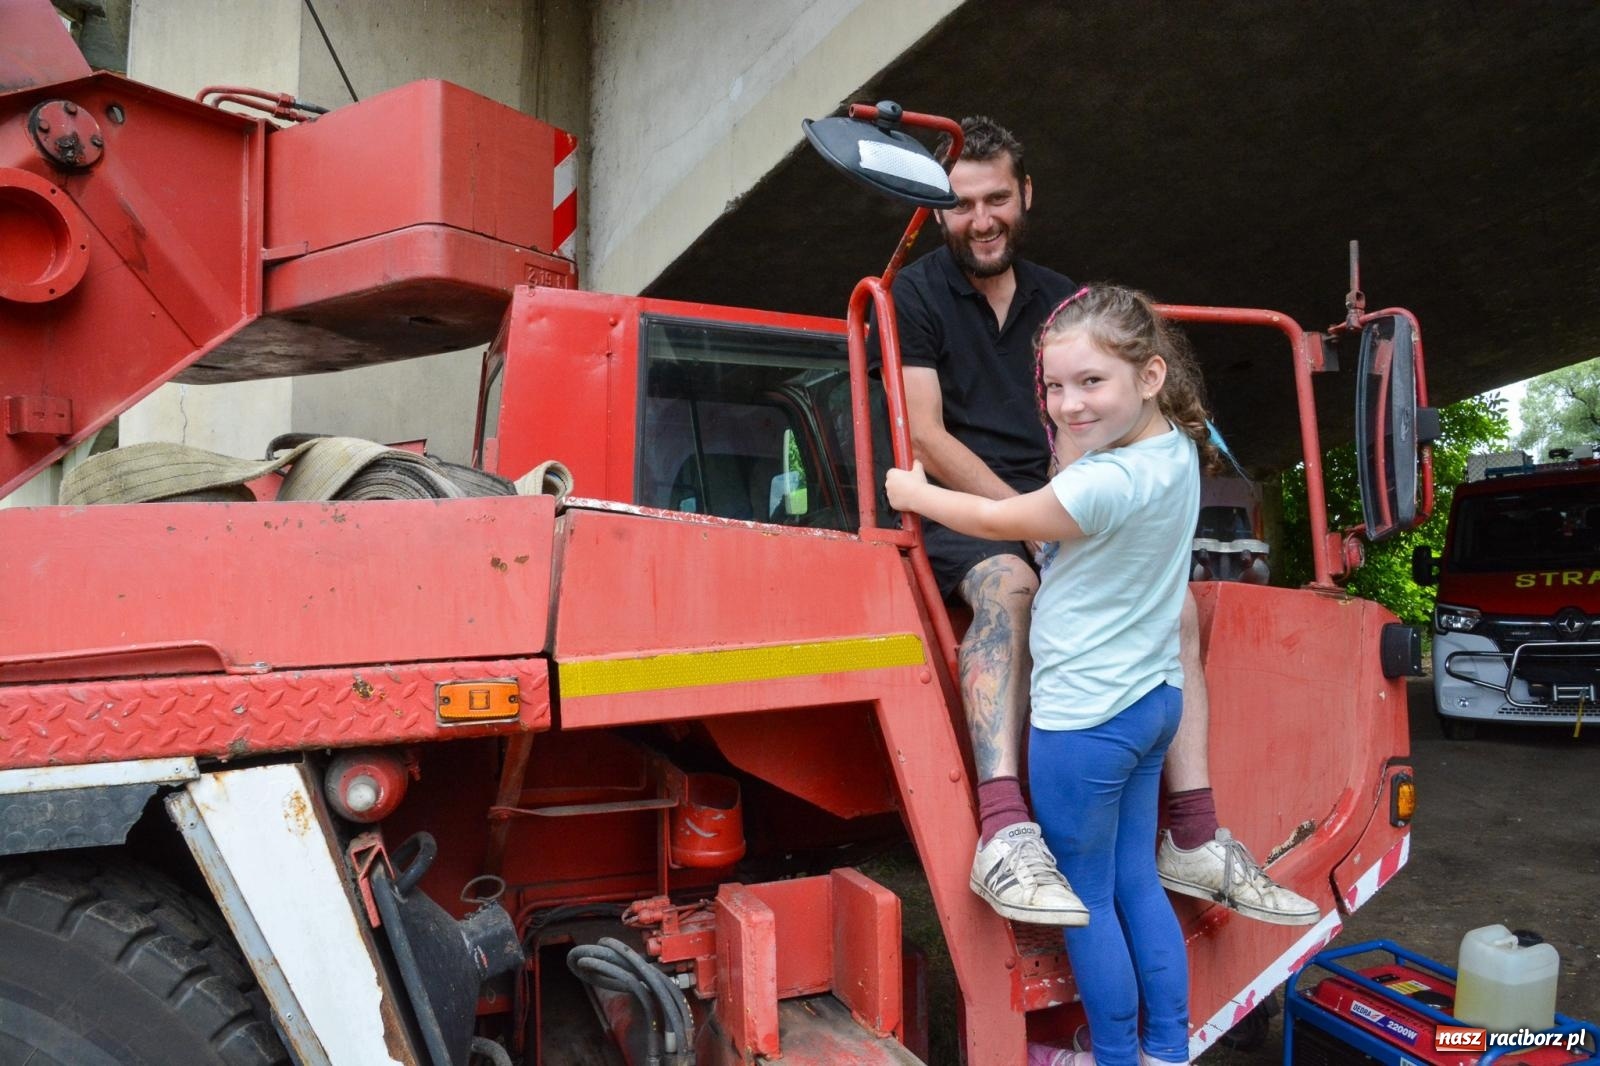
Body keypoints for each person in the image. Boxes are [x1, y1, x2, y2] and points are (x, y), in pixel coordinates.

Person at [876, 116, 1316, 928]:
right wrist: (1028, 527)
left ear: (1025, 194)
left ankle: (1191, 833)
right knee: (1008, 585)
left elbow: (1081, 430)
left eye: (996, 198)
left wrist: (1064, 510)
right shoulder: (914, 295)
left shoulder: (1060, 297)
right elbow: (928, 435)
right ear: (940, 211)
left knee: (1177, 606)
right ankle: (1005, 830)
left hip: (1058, 498)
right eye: (961, 204)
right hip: (960, 505)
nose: (980, 219)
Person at [887, 283, 1204, 1066]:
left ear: (1152, 376)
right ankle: (1167, 1051)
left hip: (1084, 724)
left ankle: (1119, 1059)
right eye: (1055, 386)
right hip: (1151, 702)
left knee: (1088, 902)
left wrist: (913, 492)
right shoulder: (1174, 453)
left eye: (1091, 383)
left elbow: (1000, 521)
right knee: (1136, 883)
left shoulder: (1104, 483)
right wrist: (1082, 426)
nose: (1068, 404)